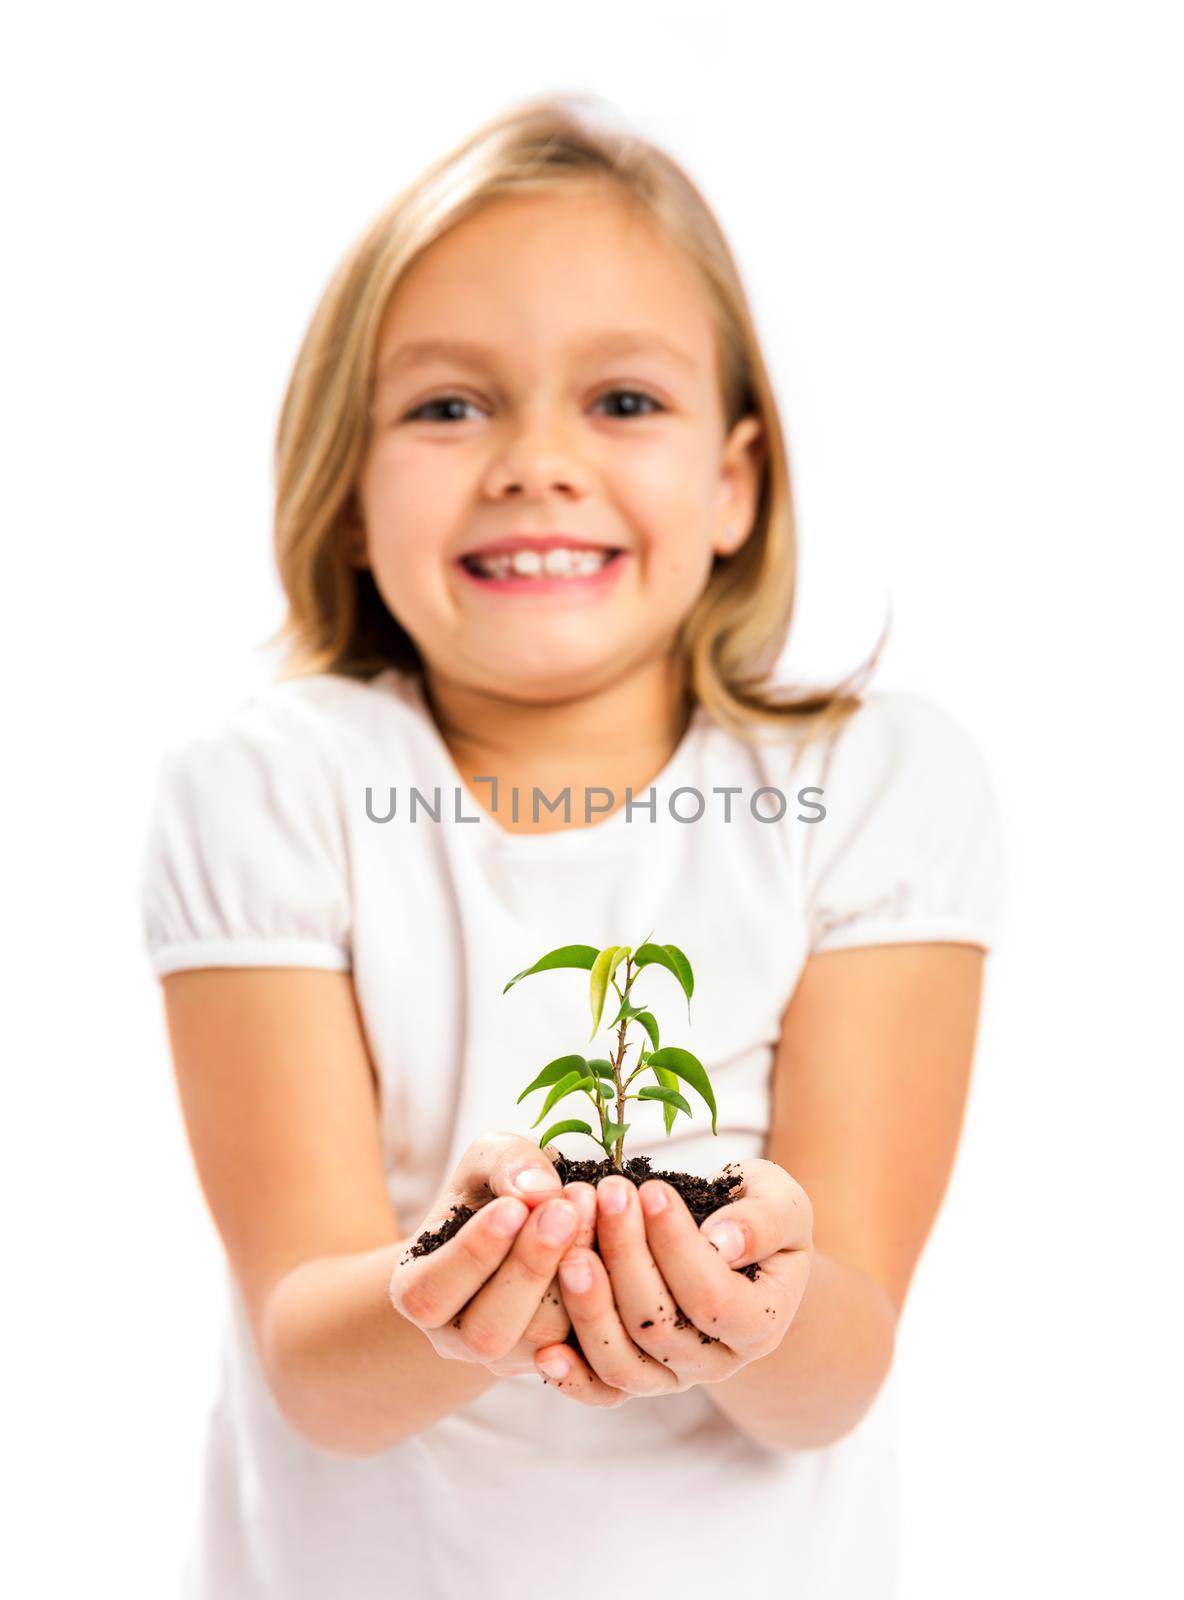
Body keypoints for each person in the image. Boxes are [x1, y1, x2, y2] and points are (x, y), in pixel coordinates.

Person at [139, 92, 1007, 1600]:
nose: (536, 461)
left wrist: (757, 1302)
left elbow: (837, 1369)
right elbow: (317, 1373)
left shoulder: (877, 784)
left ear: (735, 481)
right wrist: (460, 1285)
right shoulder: (268, 789)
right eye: (448, 406)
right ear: (348, 489)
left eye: (621, 401)